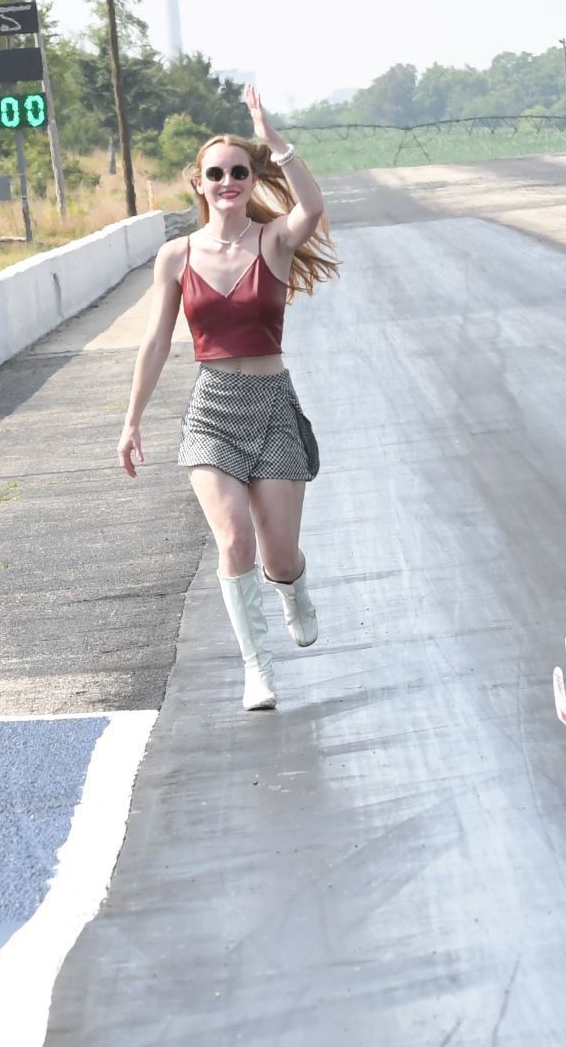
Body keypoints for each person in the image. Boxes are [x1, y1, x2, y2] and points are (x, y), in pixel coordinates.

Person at [118, 86, 338, 711]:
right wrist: (131, 422)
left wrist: (274, 140)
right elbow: (157, 342)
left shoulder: (272, 242)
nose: (228, 181)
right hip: (212, 411)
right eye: (215, 173)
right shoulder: (175, 257)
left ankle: (293, 587)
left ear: (250, 178)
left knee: (277, 553)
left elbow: (313, 206)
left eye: (239, 172)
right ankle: (257, 669)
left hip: (272, 409)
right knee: (233, 538)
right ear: (199, 183)